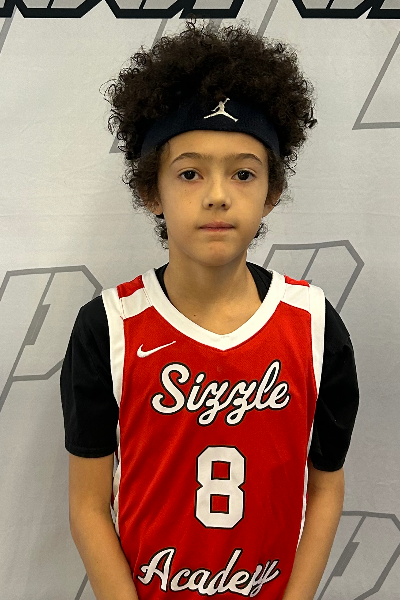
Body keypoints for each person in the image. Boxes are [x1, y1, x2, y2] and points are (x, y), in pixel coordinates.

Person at [60, 17, 359, 600]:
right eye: (190, 173)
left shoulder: (314, 324)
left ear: (272, 191)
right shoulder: (109, 326)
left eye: (243, 173)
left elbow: (325, 488)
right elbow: (88, 505)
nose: (218, 195)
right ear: (151, 190)